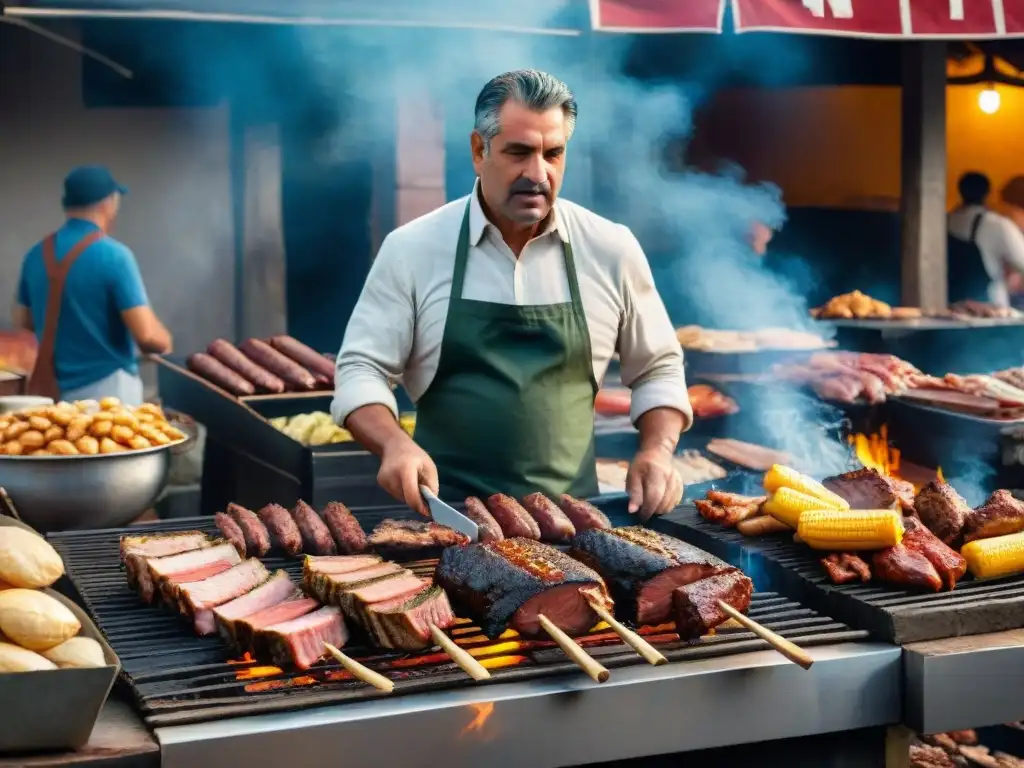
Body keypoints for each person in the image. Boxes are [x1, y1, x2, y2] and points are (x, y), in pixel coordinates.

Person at [334, 70, 691, 521]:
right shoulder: (413, 249)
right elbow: (361, 369)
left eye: (553, 154)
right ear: (479, 151)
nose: (537, 173)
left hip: (576, 527)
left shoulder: (610, 248)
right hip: (450, 526)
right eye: (519, 152)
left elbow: (658, 365)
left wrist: (657, 451)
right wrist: (393, 445)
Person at [13, 165, 172, 404]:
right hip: (109, 394)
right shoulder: (115, 256)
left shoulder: (35, 256)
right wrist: (166, 341)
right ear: (108, 202)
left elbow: (25, 324)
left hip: (53, 398)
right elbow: (148, 336)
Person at [947, 171, 1024, 307]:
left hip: (949, 303)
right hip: (989, 306)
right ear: (987, 193)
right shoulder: (997, 224)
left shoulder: (946, 220)